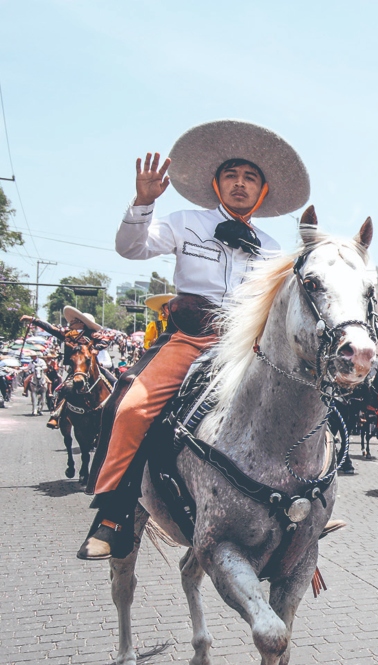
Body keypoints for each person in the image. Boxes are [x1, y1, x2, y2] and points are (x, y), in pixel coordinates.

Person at [78, 119, 310, 560]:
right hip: (188, 339)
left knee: (303, 411)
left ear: (262, 190)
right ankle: (113, 513)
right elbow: (131, 249)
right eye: (232, 176)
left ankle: (303, 522)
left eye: (250, 178)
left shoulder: (274, 248)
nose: (240, 185)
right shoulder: (186, 222)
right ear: (215, 183)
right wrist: (143, 203)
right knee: (129, 405)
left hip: (246, 351)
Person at [20, 307, 118, 429]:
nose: (71, 323)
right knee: (63, 389)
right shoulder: (68, 335)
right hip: (76, 371)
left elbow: (107, 339)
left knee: (116, 385)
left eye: (74, 321)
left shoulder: (93, 335)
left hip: (94, 367)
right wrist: (33, 320)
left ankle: (119, 413)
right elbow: (50, 328)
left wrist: (96, 348)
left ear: (81, 323)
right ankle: (55, 415)